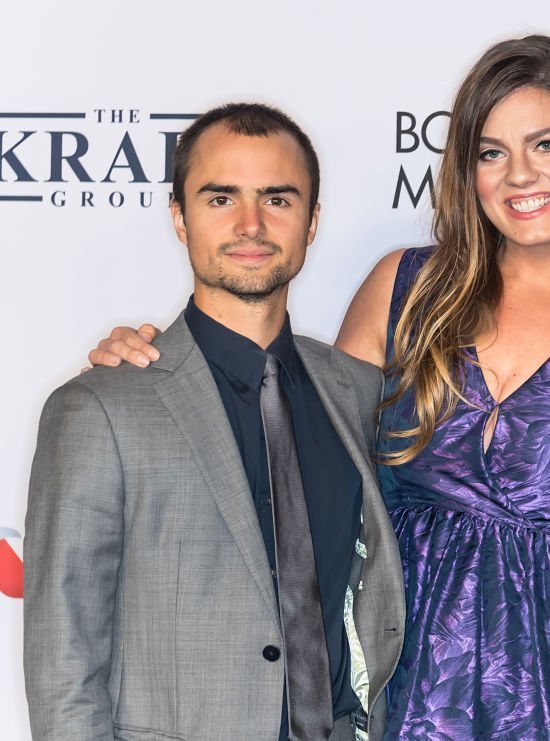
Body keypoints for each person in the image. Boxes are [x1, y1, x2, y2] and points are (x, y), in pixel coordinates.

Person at [88, 36, 550, 739]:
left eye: (546, 144)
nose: (518, 175)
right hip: (401, 682)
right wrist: (158, 373)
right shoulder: (406, 290)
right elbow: (291, 452)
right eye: (491, 152)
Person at [24, 104, 404, 741]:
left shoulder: (358, 391)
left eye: (277, 199)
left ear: (312, 222)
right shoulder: (100, 408)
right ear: (179, 216)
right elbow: (65, 654)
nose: (250, 224)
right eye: (221, 197)